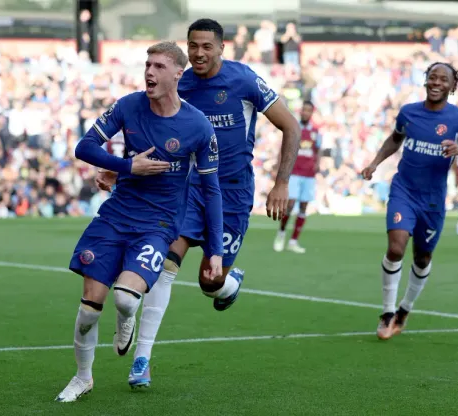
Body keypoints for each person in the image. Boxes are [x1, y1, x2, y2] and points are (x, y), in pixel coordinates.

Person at [97, 18, 300, 389]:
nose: (199, 53)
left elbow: (292, 125)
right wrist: (119, 170)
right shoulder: (180, 84)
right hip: (189, 188)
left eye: (207, 46)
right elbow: (159, 136)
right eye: (193, 46)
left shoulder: (244, 81)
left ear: (222, 47)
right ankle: (142, 359)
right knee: (165, 262)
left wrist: (281, 182)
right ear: (186, 48)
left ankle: (227, 286)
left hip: (233, 192)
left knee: (211, 281)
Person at [55, 41, 224, 402]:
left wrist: (215, 250)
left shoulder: (198, 126)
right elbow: (84, 147)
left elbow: (211, 191)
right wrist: (127, 166)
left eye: (160, 66)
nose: (150, 72)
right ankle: (83, 377)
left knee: (127, 301)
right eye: (148, 65)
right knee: (88, 309)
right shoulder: (128, 105)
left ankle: (126, 320)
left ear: (179, 73)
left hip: (158, 225)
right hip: (115, 217)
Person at [361, 62, 458, 340]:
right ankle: (388, 312)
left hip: (433, 200)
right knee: (395, 248)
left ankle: (405, 309)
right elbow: (395, 139)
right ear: (425, 81)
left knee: (423, 257)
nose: (437, 82)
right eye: (432, 77)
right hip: (404, 190)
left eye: (443, 79)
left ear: (453, 86)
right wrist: (375, 163)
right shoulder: (408, 112)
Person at [274, 100, 321, 253]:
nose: (306, 113)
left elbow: (318, 149)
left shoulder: (316, 132)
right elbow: (284, 147)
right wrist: (279, 164)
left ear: (312, 113)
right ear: (301, 111)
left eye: (309, 110)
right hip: (294, 171)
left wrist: (317, 164)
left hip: (309, 174)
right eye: (304, 110)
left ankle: (293, 241)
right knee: (290, 204)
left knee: (304, 206)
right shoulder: (294, 128)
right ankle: (281, 233)